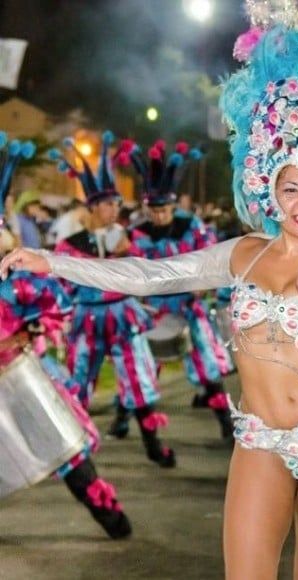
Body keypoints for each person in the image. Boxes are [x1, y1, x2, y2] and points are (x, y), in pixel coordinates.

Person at [1, 4, 298, 577]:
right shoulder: (241, 254)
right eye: (290, 188)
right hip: (260, 444)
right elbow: (151, 275)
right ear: (268, 191)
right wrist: (51, 261)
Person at [0, 133, 131, 539]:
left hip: (20, 374)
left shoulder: (15, 278)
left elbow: (55, 303)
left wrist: (29, 332)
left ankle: (107, 512)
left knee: (66, 453)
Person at [47, 131, 177, 468]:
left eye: (118, 204)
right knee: (79, 383)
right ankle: (70, 451)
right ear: (92, 206)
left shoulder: (127, 239)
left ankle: (153, 446)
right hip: (86, 320)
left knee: (138, 382)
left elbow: (143, 275)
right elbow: (60, 286)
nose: (115, 209)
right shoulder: (69, 244)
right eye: (109, 204)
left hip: (122, 315)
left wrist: (127, 255)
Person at [121, 139, 235, 441]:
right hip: (157, 309)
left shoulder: (192, 225)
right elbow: (136, 269)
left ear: (172, 206)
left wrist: (201, 283)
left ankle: (226, 421)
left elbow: (211, 258)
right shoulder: (138, 234)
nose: (158, 216)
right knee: (143, 368)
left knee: (207, 367)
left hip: (188, 305)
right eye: (153, 210)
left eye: (163, 209)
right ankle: (126, 420)